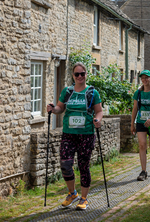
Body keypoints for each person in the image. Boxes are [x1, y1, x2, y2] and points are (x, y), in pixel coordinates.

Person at [46, 62, 103, 210]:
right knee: (65, 164)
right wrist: (53, 109)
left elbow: (99, 111)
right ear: (73, 75)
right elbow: (60, 108)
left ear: (86, 74)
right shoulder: (67, 91)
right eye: (76, 74)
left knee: (83, 166)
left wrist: (98, 120)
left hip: (86, 134)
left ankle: (84, 199)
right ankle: (72, 193)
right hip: (68, 134)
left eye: (82, 74)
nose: (79, 76)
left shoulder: (92, 92)